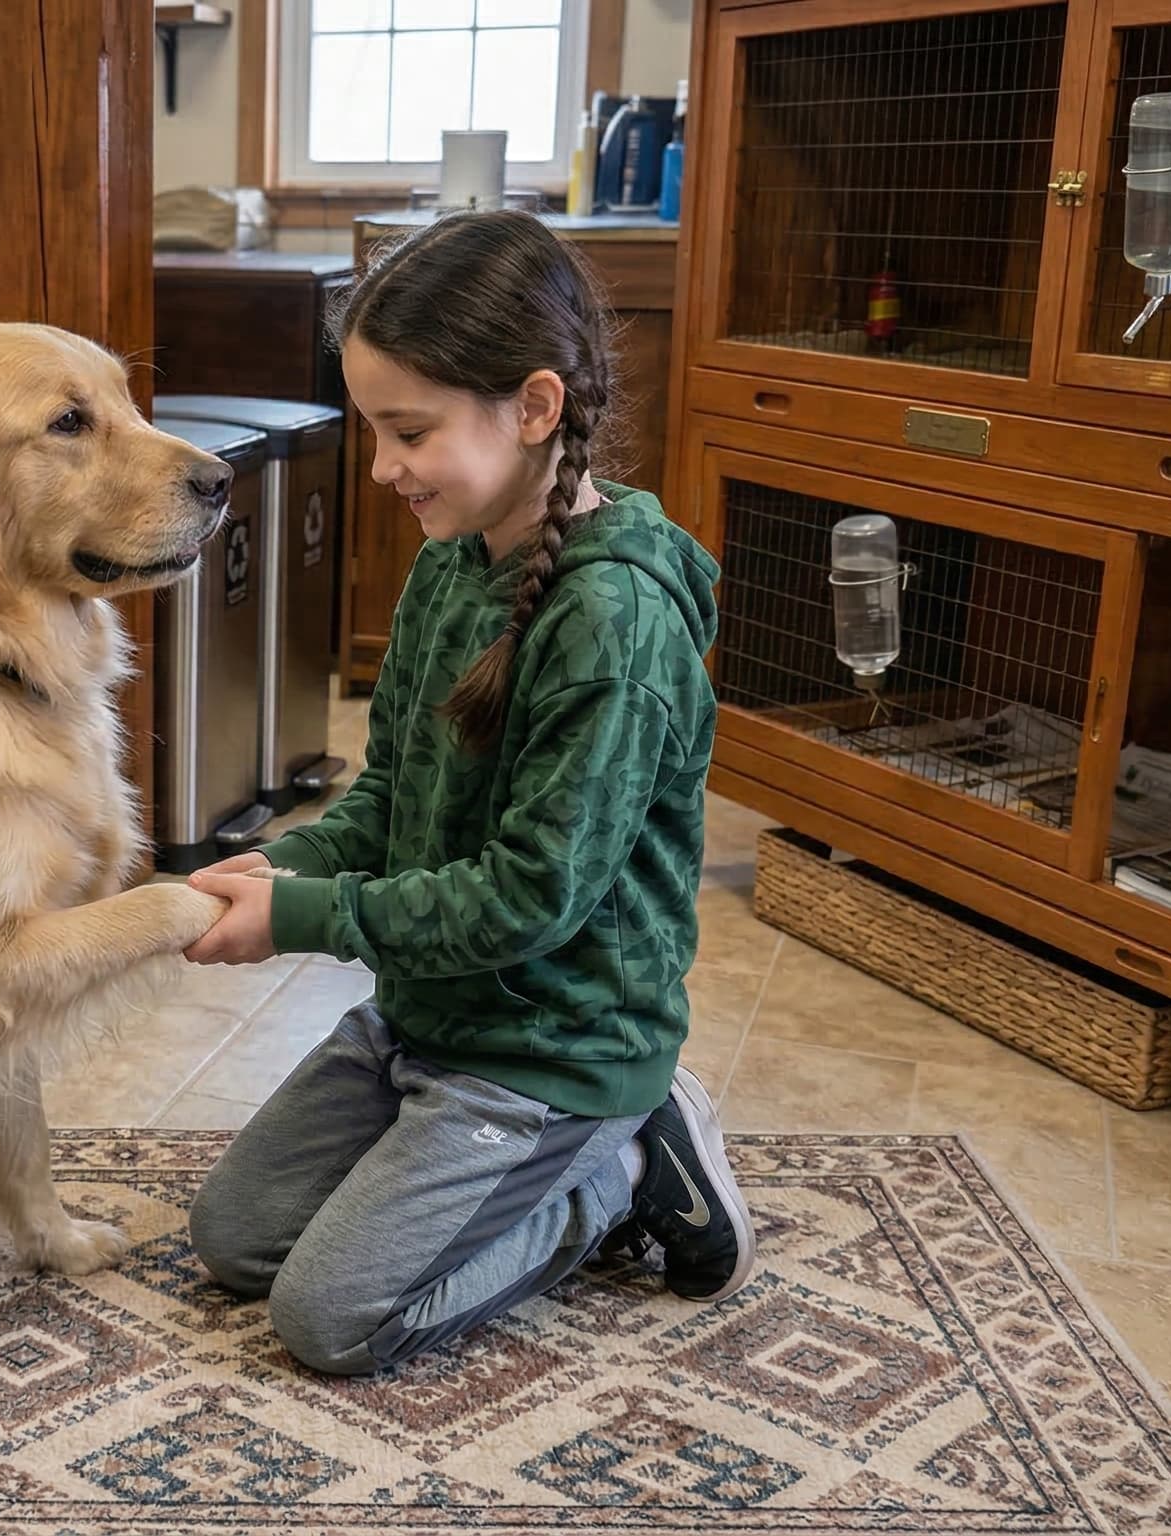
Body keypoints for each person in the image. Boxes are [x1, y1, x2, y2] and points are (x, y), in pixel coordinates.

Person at [179, 209, 752, 1377]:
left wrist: (302, 921)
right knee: (235, 1243)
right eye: (374, 430)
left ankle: (627, 1165)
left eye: (409, 432)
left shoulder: (613, 623)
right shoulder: (450, 567)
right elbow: (389, 800)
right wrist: (280, 868)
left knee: (329, 1319)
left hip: (554, 1044)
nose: (383, 468)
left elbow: (528, 900)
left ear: (535, 408)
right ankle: (493, 1143)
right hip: (432, 1017)